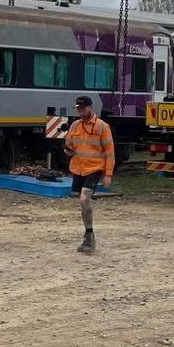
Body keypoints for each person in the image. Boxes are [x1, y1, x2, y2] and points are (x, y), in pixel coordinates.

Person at [64, 95, 114, 254]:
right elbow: (69, 144)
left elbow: (110, 153)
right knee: (82, 202)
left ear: (90, 108)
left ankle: (89, 235)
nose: (80, 111)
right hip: (78, 168)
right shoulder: (74, 126)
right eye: (78, 108)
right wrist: (68, 151)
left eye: (82, 108)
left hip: (95, 168)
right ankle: (88, 234)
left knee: (84, 198)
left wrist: (108, 174)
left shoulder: (102, 127)